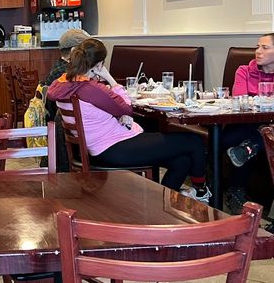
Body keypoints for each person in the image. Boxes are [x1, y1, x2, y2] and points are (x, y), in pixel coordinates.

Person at [47, 38, 209, 200]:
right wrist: (110, 79)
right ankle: (201, 192)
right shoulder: (90, 88)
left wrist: (119, 113)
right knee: (193, 141)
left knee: (182, 161)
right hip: (114, 148)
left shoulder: (63, 83)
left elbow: (109, 110)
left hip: (99, 147)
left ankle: (162, 203)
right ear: (99, 64)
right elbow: (126, 107)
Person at [224, 33, 274, 213]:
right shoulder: (244, 70)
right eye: (257, 47)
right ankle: (249, 148)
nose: (258, 52)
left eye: (265, 48)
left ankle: (236, 190)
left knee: (266, 133)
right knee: (257, 134)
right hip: (244, 124)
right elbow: (240, 99)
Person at [43, 28, 91, 172]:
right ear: (74, 51)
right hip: (68, 135)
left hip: (61, 136)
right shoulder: (68, 75)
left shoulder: (59, 69)